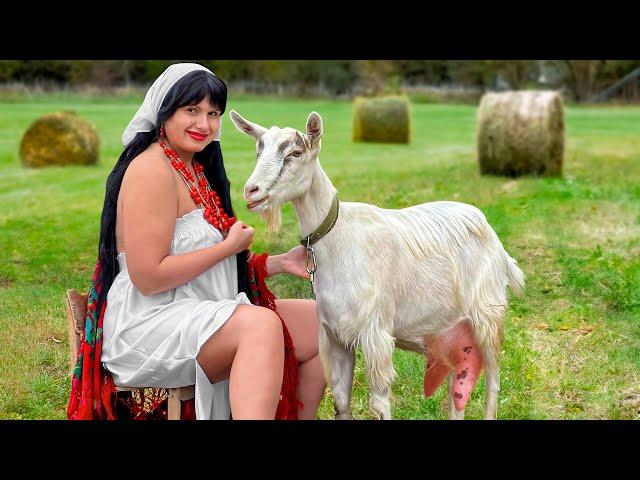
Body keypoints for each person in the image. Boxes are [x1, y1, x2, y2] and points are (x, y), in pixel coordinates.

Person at [67, 63, 326, 420]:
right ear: (164, 113)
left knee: (322, 322)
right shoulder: (150, 171)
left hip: (198, 308)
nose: (204, 124)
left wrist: (276, 262)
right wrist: (227, 247)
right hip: (148, 325)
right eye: (191, 110)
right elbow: (149, 276)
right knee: (260, 325)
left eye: (213, 113)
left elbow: (199, 260)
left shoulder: (193, 169)